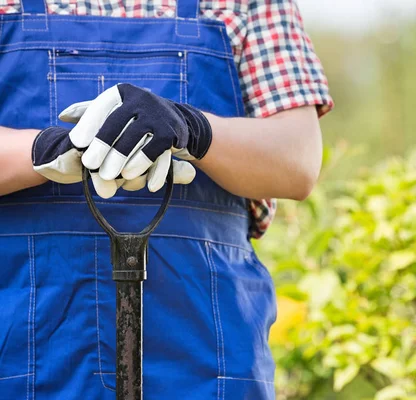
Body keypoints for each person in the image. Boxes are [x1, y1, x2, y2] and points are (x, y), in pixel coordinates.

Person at [0, 0, 333, 398]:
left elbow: (296, 159)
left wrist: (194, 128)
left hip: (206, 357)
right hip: (20, 351)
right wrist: (44, 150)